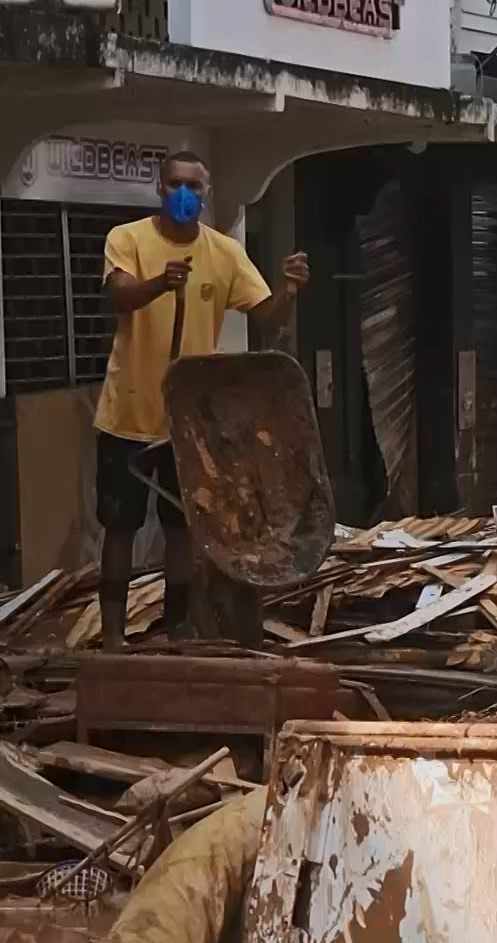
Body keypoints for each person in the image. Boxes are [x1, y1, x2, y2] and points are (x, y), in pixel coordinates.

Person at [95, 150, 309, 649]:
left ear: (206, 193)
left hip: (187, 423)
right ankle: (111, 637)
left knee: (182, 528)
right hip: (127, 416)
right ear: (160, 188)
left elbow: (269, 317)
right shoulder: (127, 239)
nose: (184, 194)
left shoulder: (224, 252)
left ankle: (176, 629)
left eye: (193, 185)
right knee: (120, 525)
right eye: (174, 184)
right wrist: (157, 285)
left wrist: (289, 291)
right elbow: (119, 295)